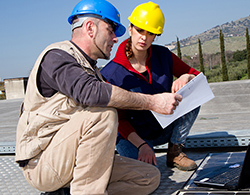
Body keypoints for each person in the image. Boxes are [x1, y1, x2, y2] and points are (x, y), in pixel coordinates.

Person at [15, 0, 183, 195]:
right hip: (44, 164)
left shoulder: (91, 70)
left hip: (76, 159)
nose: (115, 39)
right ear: (90, 28)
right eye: (111, 30)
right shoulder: (57, 56)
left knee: (148, 177)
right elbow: (92, 93)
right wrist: (153, 102)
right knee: (103, 112)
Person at [101, 1, 200, 171]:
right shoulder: (111, 73)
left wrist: (186, 76)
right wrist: (142, 146)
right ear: (130, 28)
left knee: (193, 93)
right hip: (132, 137)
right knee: (145, 176)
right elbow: (119, 120)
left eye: (151, 33)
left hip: (164, 128)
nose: (144, 38)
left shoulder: (163, 55)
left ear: (156, 36)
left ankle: (175, 151)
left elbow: (198, 77)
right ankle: (135, 152)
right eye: (139, 30)